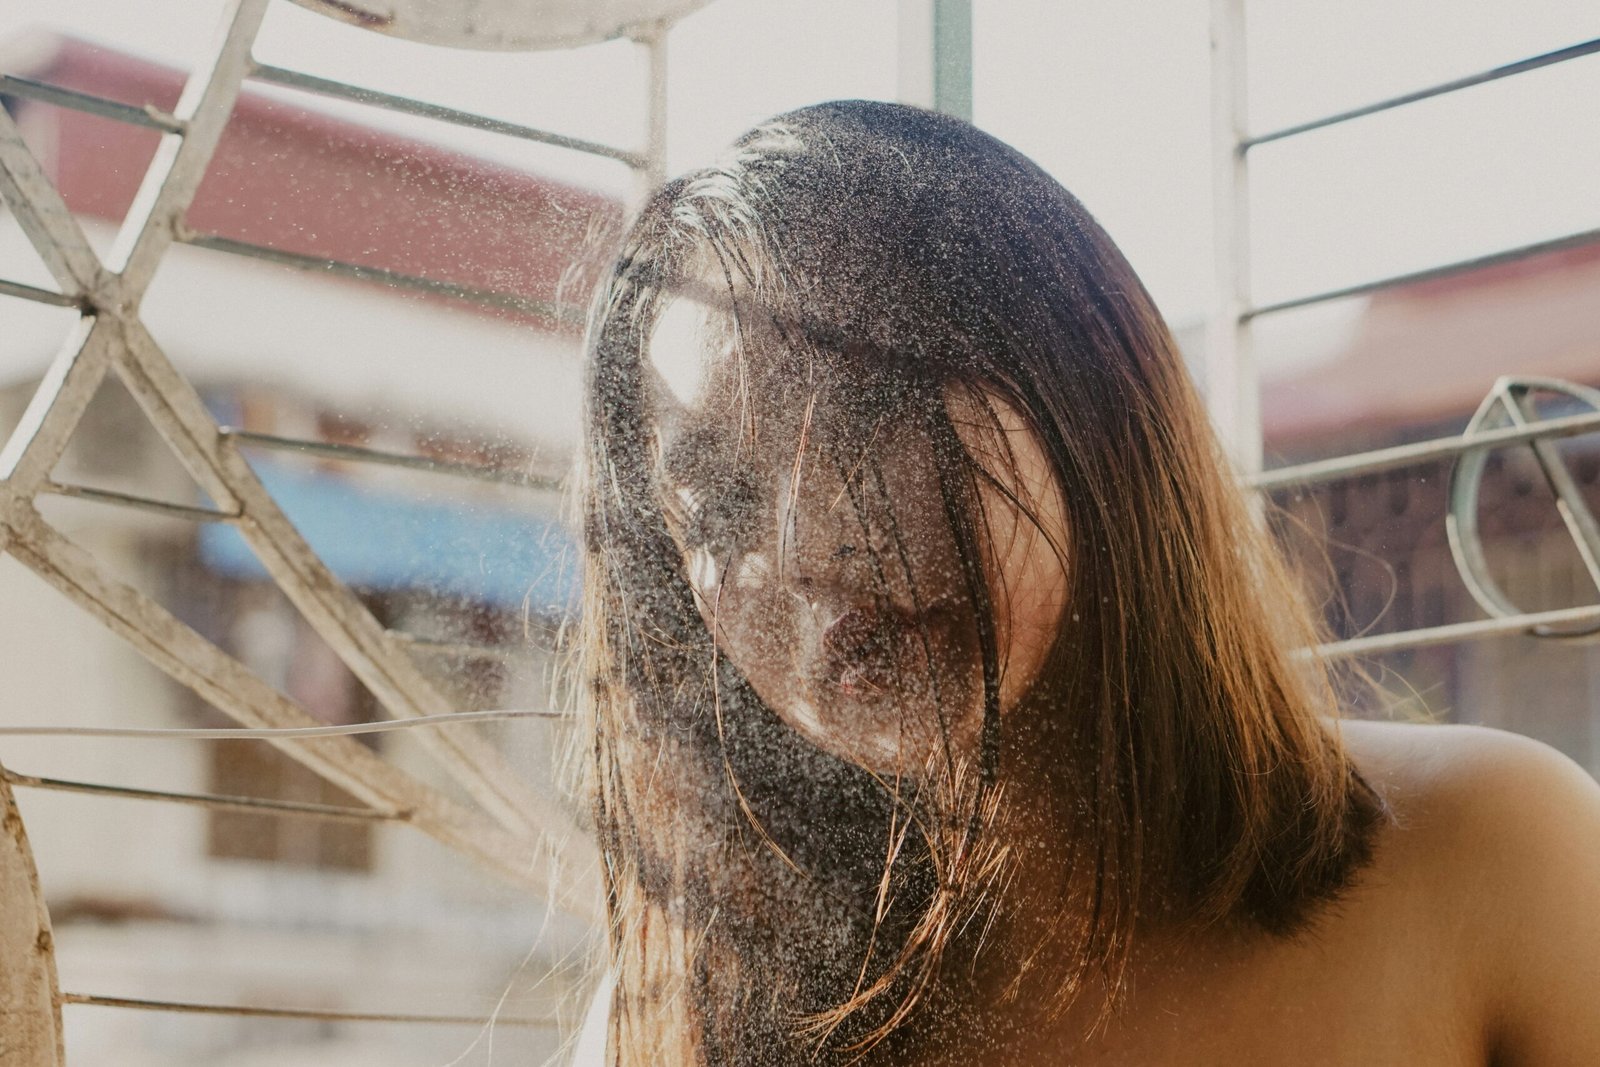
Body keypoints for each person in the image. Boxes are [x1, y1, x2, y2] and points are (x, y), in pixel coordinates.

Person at [574, 100, 1600, 1066]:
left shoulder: (1498, 855)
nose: (804, 546)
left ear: (1086, 393)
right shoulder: (686, 1000)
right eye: (712, 505)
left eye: (865, 417)